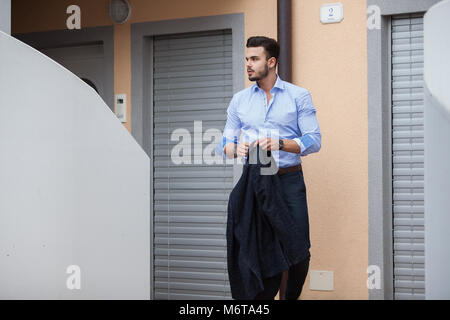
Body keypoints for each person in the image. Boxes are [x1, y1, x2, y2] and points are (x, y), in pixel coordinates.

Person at [218, 36, 321, 300]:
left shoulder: (299, 96)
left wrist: (281, 143)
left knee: (299, 251)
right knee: (255, 249)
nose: (249, 65)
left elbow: (313, 140)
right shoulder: (239, 100)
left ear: (271, 62)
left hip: (289, 182)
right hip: (254, 182)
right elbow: (225, 142)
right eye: (247, 59)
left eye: (255, 59)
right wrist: (235, 149)